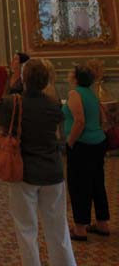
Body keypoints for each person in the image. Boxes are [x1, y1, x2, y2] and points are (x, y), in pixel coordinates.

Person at [0, 59, 77, 266]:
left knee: (26, 230)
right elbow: (59, 134)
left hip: (23, 173)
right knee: (58, 229)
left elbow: (3, 125)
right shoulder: (54, 106)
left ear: (23, 79)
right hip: (52, 172)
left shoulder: (11, 104)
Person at [63, 64, 110, 240]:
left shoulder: (75, 93)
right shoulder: (92, 93)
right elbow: (103, 120)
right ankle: (102, 223)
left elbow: (79, 121)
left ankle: (80, 228)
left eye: (71, 73)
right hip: (98, 143)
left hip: (82, 145)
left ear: (75, 78)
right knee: (97, 183)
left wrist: (70, 141)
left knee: (79, 186)